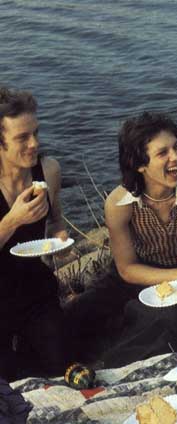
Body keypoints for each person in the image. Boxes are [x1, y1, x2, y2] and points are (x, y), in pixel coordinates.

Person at [67, 112, 177, 366]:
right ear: (140, 163)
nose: (176, 157)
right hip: (137, 274)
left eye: (176, 147)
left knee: (166, 320)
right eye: (163, 153)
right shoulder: (119, 203)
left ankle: (108, 370)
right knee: (76, 314)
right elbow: (127, 268)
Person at [0, 87, 69, 381]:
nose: (34, 144)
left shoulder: (49, 171)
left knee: (60, 371)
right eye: (22, 138)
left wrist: (61, 240)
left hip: (34, 290)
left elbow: (56, 224)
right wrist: (11, 221)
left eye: (36, 133)